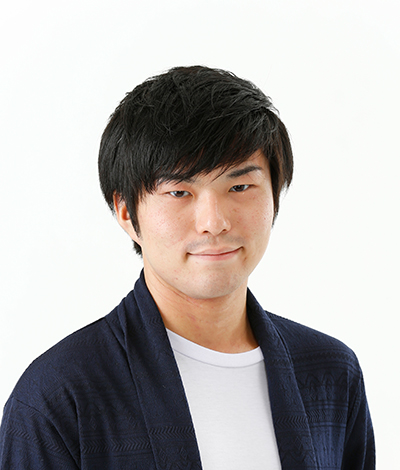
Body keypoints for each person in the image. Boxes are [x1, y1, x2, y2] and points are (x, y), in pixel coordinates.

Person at [0, 66, 375, 469]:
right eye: (179, 191)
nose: (214, 222)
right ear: (126, 212)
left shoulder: (331, 374)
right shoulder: (60, 396)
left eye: (240, 187)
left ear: (274, 197)